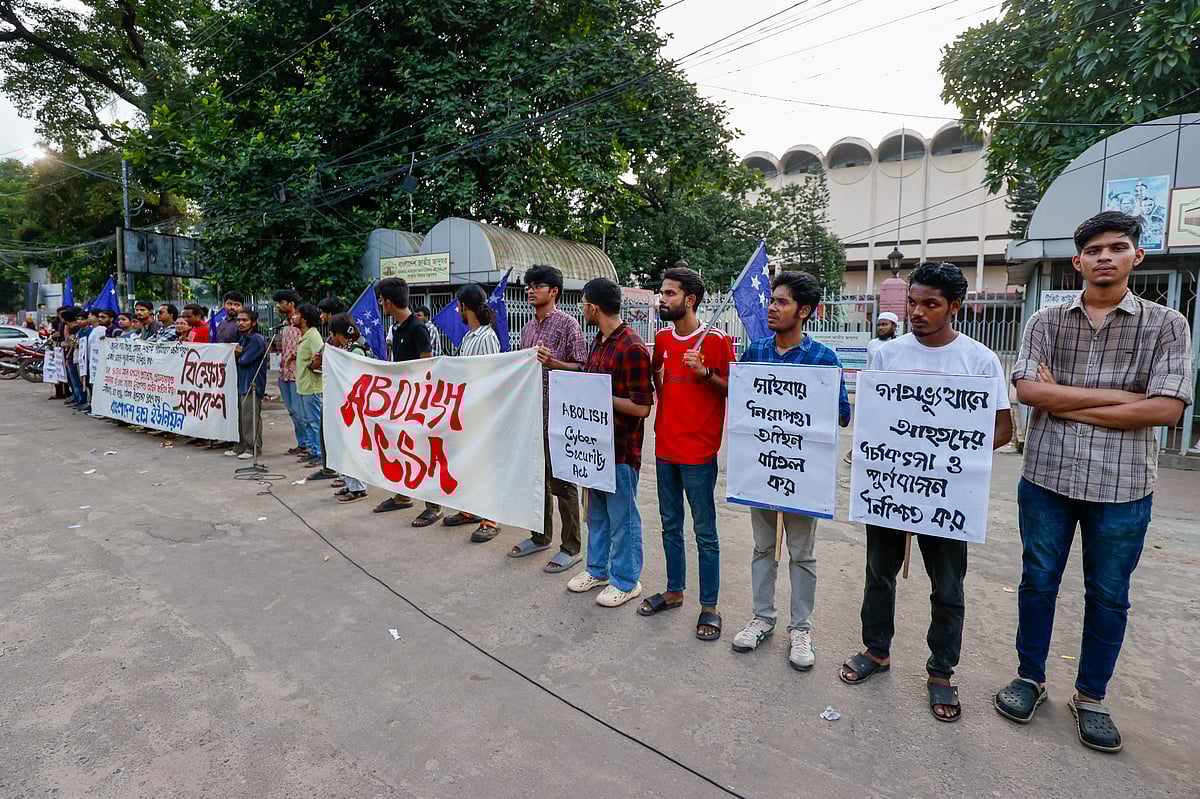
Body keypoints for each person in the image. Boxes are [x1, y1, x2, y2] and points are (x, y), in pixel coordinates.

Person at [994, 211, 1192, 752]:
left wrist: (1069, 402)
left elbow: (1169, 410)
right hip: (1047, 479)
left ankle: (1092, 696)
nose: (1105, 256)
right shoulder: (1045, 321)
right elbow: (1030, 394)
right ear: (1077, 261)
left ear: (1137, 257)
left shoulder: (1167, 324)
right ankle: (1030, 677)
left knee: (1108, 594)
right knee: (1038, 582)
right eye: (1095, 249)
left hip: (1124, 486)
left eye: (1118, 247)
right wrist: (1131, 400)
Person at [838, 263, 1012, 722]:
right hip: (892, 488)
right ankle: (876, 651)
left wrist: (946, 452)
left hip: (948, 497)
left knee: (948, 586)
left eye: (929, 304)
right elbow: (874, 420)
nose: (916, 311)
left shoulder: (980, 360)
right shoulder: (888, 354)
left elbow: (1002, 428)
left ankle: (941, 672)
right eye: (912, 302)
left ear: (955, 307)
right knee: (879, 574)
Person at [731, 272, 852, 671]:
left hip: (801, 476)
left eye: (781, 302)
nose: (771, 307)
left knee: (802, 553)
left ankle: (801, 628)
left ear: (804, 311)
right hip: (763, 471)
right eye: (772, 300)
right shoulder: (754, 353)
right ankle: (762, 617)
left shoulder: (824, 359)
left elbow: (842, 416)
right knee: (763, 547)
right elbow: (744, 409)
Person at [640, 265, 734, 641]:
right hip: (665, 446)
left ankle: (709, 605)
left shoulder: (716, 341)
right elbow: (654, 374)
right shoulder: (661, 338)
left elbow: (733, 389)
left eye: (669, 294)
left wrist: (705, 374)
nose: (662, 300)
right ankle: (675, 589)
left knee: (705, 531)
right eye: (662, 293)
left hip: (699, 451)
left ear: (689, 300)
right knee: (669, 524)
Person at [562, 278, 654, 607]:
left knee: (623, 518)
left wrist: (601, 398)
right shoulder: (599, 342)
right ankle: (597, 569)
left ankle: (627, 580)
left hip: (620, 450)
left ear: (593, 307)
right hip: (593, 449)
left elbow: (642, 406)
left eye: (583, 304)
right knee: (596, 515)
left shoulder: (632, 347)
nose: (581, 309)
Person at [511, 264, 588, 571]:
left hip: (558, 417)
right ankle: (540, 536)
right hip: (531, 415)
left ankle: (571, 547)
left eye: (537, 285)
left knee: (563, 483)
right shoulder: (527, 329)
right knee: (535, 481)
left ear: (554, 291)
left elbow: (583, 369)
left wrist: (553, 363)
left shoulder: (569, 325)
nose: (530, 290)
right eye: (528, 285)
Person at [372, 277, 443, 526]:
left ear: (389, 302)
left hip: (419, 404)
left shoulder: (417, 328)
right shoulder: (397, 329)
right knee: (399, 449)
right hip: (400, 400)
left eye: (381, 300)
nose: (380, 304)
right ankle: (403, 495)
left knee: (423, 454)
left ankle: (433, 506)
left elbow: (427, 367)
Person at [439, 283, 503, 541]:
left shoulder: (487, 337)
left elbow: (490, 377)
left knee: (484, 465)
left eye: (459, 306)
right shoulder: (469, 337)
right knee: (467, 462)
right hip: (464, 410)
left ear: (466, 307)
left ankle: (491, 518)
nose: (458, 312)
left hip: (482, 412)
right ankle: (471, 510)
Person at [323, 313, 372, 503]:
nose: (334, 338)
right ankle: (350, 482)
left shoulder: (357, 350)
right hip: (346, 403)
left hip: (356, 404)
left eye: (335, 334)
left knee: (353, 445)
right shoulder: (346, 348)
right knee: (345, 444)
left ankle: (359, 487)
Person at [227, 309, 267, 460]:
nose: (241, 323)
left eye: (244, 320)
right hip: (241, 382)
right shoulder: (243, 338)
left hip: (252, 382)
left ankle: (253, 447)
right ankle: (241, 445)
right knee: (241, 416)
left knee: (251, 417)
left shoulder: (256, 340)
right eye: (239, 320)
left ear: (253, 322)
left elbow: (243, 359)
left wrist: (236, 354)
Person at [272, 290, 307, 456]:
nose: (280, 306)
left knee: (299, 411)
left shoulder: (301, 323)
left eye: (282, 302)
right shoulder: (285, 324)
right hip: (284, 372)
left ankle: (307, 443)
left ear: (291, 304)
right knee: (292, 411)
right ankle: (301, 442)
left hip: (297, 374)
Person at [294, 303, 325, 469]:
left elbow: (320, 358)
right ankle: (314, 449)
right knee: (307, 420)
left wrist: (312, 365)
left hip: (312, 386)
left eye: (297, 314)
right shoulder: (304, 335)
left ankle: (320, 453)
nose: (293, 317)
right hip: (303, 385)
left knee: (315, 421)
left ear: (304, 318)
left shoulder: (313, 336)